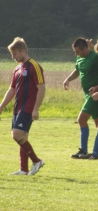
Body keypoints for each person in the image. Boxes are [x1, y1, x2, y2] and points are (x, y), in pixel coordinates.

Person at [63, 38, 98, 159]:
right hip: (88, 94)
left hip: (96, 95)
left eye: (78, 51)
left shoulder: (95, 58)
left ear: (85, 49)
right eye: (75, 51)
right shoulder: (80, 57)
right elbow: (77, 70)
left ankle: (83, 150)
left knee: (81, 119)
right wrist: (68, 79)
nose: (76, 54)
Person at [0, 37, 45, 175]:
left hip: (28, 107)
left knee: (16, 134)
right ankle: (24, 169)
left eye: (15, 54)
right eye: (12, 54)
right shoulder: (17, 69)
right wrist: (1, 106)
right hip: (17, 107)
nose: (13, 57)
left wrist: (36, 109)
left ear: (23, 51)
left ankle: (37, 161)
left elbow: (41, 88)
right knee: (22, 137)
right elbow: (12, 89)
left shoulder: (34, 66)